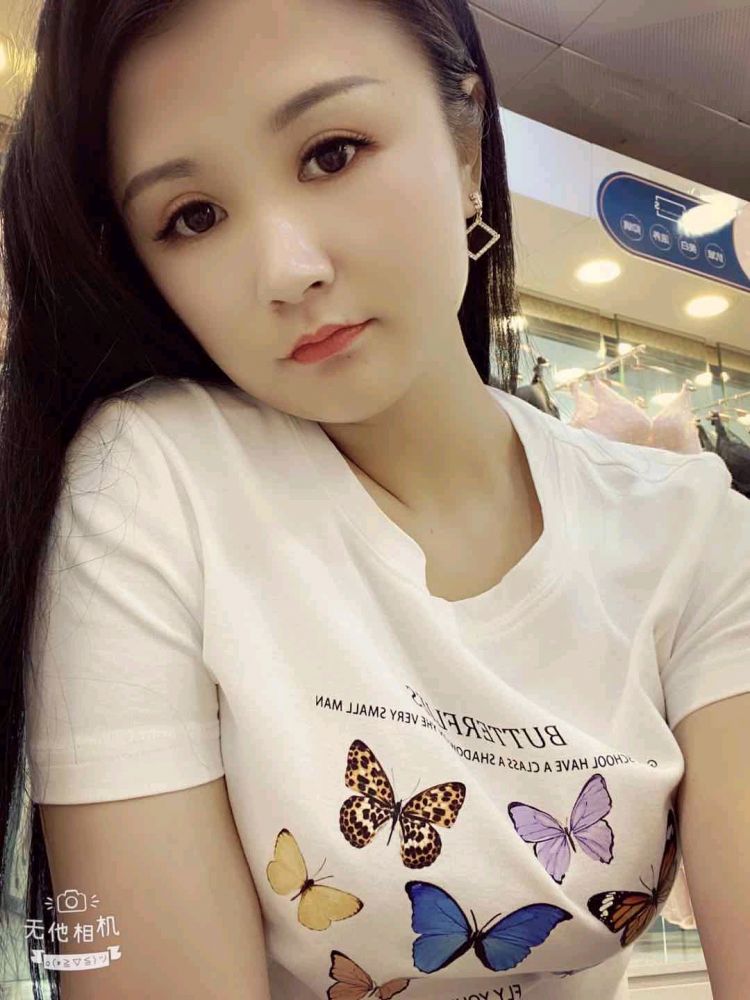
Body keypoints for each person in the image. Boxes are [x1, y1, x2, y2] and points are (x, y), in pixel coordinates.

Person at [0, 1, 748, 998]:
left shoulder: (686, 528)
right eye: (194, 217)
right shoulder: (155, 483)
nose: (287, 270)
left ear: (466, 147)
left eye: (331, 153)